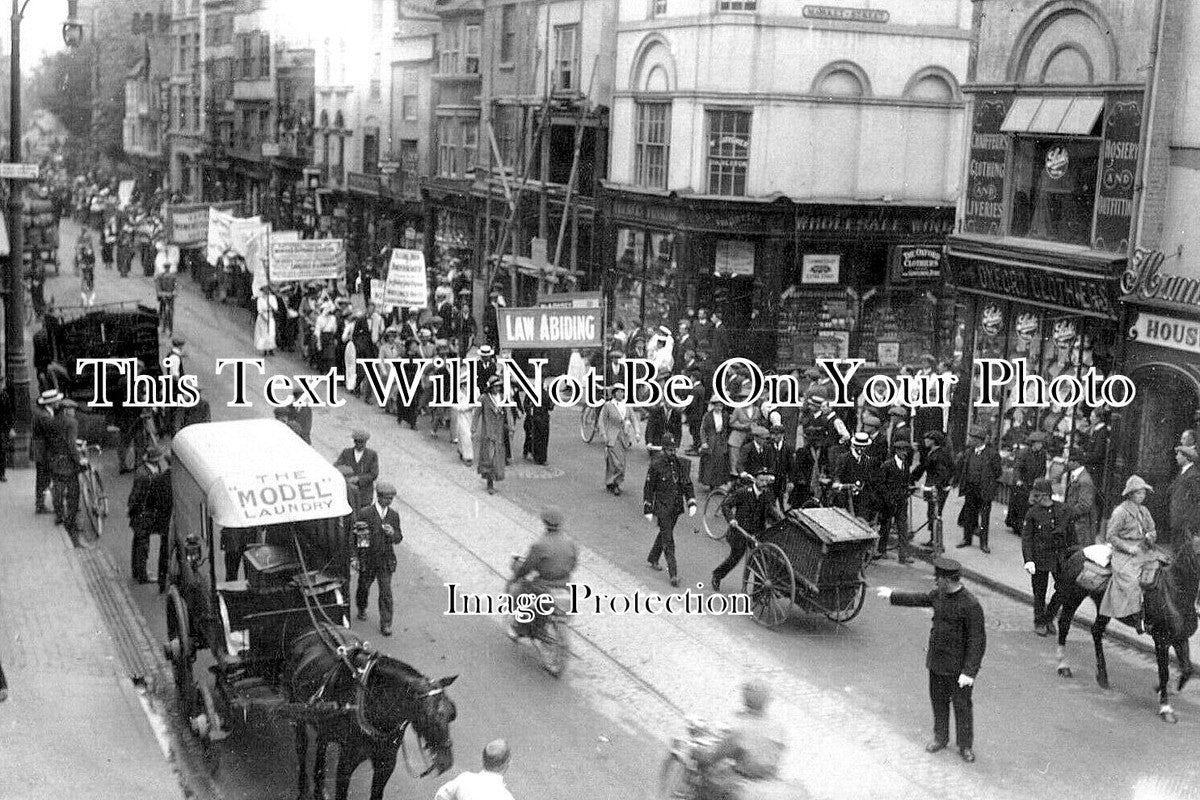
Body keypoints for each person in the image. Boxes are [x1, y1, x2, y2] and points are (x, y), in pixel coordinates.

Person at [877, 558, 986, 763]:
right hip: (937, 662)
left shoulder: (970, 605)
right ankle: (940, 737)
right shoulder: (939, 594)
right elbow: (919, 599)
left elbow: (977, 641)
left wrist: (969, 672)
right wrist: (892, 595)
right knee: (938, 702)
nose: (935, 581)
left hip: (958, 669)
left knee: (962, 707)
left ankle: (965, 746)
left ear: (948, 580)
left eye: (938, 578)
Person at [694, 679, 788, 800]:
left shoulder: (740, 727)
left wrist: (697, 752)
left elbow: (713, 756)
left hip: (743, 780)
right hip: (768, 781)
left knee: (708, 779)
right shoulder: (778, 727)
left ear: (745, 699)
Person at [1099, 476, 1160, 632]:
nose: (1142, 496)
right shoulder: (1121, 512)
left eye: (1143, 493)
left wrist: (1151, 536)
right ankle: (1135, 615)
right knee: (1131, 579)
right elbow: (1111, 536)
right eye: (1138, 493)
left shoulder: (1144, 511)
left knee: (1159, 571)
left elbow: (1152, 529)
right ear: (1130, 494)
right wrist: (1128, 548)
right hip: (1124, 553)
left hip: (1144, 550)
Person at [509, 506, 579, 640]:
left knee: (517, 591)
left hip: (544, 585)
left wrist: (517, 576)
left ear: (544, 522)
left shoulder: (540, 544)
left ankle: (519, 627)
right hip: (565, 584)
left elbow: (527, 567)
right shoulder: (571, 543)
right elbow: (573, 565)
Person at [711, 466, 783, 592]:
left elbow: (771, 511)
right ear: (755, 480)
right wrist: (731, 519)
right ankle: (717, 575)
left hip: (756, 533)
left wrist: (781, 521)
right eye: (761, 480)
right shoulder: (743, 492)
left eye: (766, 481)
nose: (764, 483)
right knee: (735, 557)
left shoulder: (767, 495)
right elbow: (726, 505)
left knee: (760, 561)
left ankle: (757, 592)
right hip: (740, 531)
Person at [642, 434, 697, 587]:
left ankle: (653, 557)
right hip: (662, 507)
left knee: (665, 533)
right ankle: (673, 574)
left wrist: (691, 501)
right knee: (668, 540)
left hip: (675, 507)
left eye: (674, 450)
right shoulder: (656, 465)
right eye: (669, 450)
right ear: (663, 449)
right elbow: (649, 488)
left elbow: (686, 483)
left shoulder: (678, 464)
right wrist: (648, 507)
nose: (672, 453)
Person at [353, 482, 403, 636]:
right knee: (363, 587)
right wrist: (357, 558)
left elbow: (398, 538)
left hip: (385, 560)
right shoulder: (365, 513)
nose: (389, 501)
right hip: (368, 559)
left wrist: (392, 533)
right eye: (387, 498)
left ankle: (386, 623)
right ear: (379, 497)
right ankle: (362, 607)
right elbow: (359, 538)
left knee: (386, 592)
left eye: (391, 499)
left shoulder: (393, 515)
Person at [1021, 478, 1070, 636]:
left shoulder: (1061, 509)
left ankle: (1049, 616)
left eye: (1038, 495)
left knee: (1063, 588)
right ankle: (1039, 621)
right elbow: (1027, 538)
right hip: (1039, 557)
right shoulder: (1032, 513)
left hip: (1057, 557)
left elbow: (1069, 534)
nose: (1035, 498)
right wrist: (1028, 560)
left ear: (1047, 495)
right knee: (1039, 591)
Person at [128, 446, 172, 588]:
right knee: (142, 544)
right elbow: (139, 497)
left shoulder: (146, 471)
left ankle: (137, 571)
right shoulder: (146, 476)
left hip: (140, 513)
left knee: (138, 542)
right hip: (143, 513)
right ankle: (142, 574)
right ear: (155, 459)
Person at [955, 428, 1001, 553]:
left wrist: (988, 483)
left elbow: (998, 472)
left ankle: (983, 543)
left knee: (984, 518)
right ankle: (967, 539)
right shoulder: (969, 452)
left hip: (984, 490)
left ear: (979, 440)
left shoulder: (992, 454)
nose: (970, 440)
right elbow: (964, 468)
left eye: (973, 438)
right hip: (971, 488)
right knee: (969, 515)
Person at [46, 398, 83, 537]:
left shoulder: (52, 421)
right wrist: (79, 460)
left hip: (55, 460)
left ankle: (59, 515)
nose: (74, 412)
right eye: (72, 409)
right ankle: (71, 521)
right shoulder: (72, 423)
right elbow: (71, 444)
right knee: (73, 492)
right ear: (66, 410)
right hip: (68, 462)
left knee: (58, 489)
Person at [911, 431, 954, 545]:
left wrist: (937, 486)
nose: (925, 441)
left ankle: (936, 542)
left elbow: (943, 473)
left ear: (934, 441)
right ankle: (934, 540)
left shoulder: (939, 455)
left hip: (937, 489)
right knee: (932, 513)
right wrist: (911, 478)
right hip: (935, 487)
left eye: (928, 439)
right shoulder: (933, 452)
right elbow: (922, 467)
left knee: (935, 514)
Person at [434, 739, 515, 800]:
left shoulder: (464, 779)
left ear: (483, 760)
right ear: (507, 763)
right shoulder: (506, 797)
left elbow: (441, 796)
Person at [876, 439, 915, 563]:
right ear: (897, 451)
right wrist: (888, 499)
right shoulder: (887, 465)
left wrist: (909, 490)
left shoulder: (906, 465)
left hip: (902, 501)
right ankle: (881, 550)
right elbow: (881, 484)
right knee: (885, 527)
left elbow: (906, 482)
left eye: (906, 451)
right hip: (888, 503)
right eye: (902, 451)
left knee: (903, 528)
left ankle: (903, 556)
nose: (905, 453)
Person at [1006, 432, 1047, 534]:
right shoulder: (1024, 452)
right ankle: (1017, 526)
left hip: (1033, 483)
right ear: (1033, 443)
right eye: (1038, 443)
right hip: (1022, 483)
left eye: (1041, 443)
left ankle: (1025, 527)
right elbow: (1017, 467)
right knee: (1020, 505)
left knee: (1030, 506)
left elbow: (1043, 469)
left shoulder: (1042, 454)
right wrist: (1018, 480)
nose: (1040, 445)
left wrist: (1040, 480)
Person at [600, 383, 638, 496]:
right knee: (616, 462)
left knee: (621, 462)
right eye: (618, 391)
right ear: (614, 393)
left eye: (622, 391)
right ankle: (615, 483)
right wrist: (604, 434)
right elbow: (601, 421)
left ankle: (611, 481)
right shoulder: (608, 406)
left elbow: (634, 419)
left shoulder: (627, 406)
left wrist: (637, 433)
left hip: (624, 437)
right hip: (612, 437)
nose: (621, 394)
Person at [473, 375, 508, 495]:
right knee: (489, 458)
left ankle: (495, 477)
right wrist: (473, 428)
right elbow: (476, 413)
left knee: (497, 458)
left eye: (499, 386)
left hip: (499, 432)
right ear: (491, 387)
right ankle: (490, 483)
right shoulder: (483, 398)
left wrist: (510, 426)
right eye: (495, 386)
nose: (498, 388)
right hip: (488, 432)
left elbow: (508, 413)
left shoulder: (502, 397)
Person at [1166, 445, 1200, 550]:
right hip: (1178, 517)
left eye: (1179, 455)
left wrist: (1189, 520)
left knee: (1183, 548)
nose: (1176, 457)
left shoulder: (1193, 475)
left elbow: (1196, 498)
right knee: (1177, 546)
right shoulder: (1183, 472)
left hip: (1185, 520)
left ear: (1186, 457)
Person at [1062, 448, 1098, 547]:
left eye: (1069, 461)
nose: (1067, 463)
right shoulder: (1077, 475)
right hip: (1075, 522)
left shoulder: (1084, 480)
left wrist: (1068, 514)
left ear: (1076, 462)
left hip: (1081, 525)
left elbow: (1085, 505)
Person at [333, 430, 379, 504]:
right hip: (348, 492)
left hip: (364, 494)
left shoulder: (372, 455)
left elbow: (374, 474)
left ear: (366, 442)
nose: (360, 444)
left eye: (362, 442)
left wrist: (358, 479)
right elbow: (336, 467)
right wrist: (346, 476)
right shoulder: (346, 452)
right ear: (354, 441)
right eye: (358, 442)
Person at [699, 398, 730, 491]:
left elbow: (727, 428)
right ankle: (709, 482)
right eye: (717, 406)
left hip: (721, 441)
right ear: (713, 406)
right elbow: (703, 429)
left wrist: (725, 438)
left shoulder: (725, 415)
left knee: (720, 462)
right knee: (709, 462)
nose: (718, 408)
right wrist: (703, 442)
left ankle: (718, 482)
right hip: (711, 441)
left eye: (720, 406)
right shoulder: (708, 415)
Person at [254, 285, 279, 356]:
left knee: (271, 333)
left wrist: (270, 304)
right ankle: (264, 349)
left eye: (267, 290)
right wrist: (264, 319)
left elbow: (276, 308)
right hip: (262, 317)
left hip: (270, 316)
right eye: (264, 291)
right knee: (263, 333)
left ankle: (271, 348)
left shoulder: (272, 298)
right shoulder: (260, 299)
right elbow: (259, 310)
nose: (265, 292)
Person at [76, 237, 96, 307]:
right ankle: (83, 301)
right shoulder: (82, 251)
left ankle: (90, 301)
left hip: (90, 271)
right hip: (84, 270)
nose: (86, 245)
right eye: (86, 244)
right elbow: (79, 259)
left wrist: (91, 265)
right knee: (83, 286)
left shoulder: (91, 252)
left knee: (90, 286)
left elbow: (93, 261)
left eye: (88, 244)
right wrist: (81, 264)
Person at [0, 375, 12, 482]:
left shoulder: (5, 396)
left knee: (2, 450)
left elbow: (9, 413)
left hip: (2, 428)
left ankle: (1, 473)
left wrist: (11, 427)